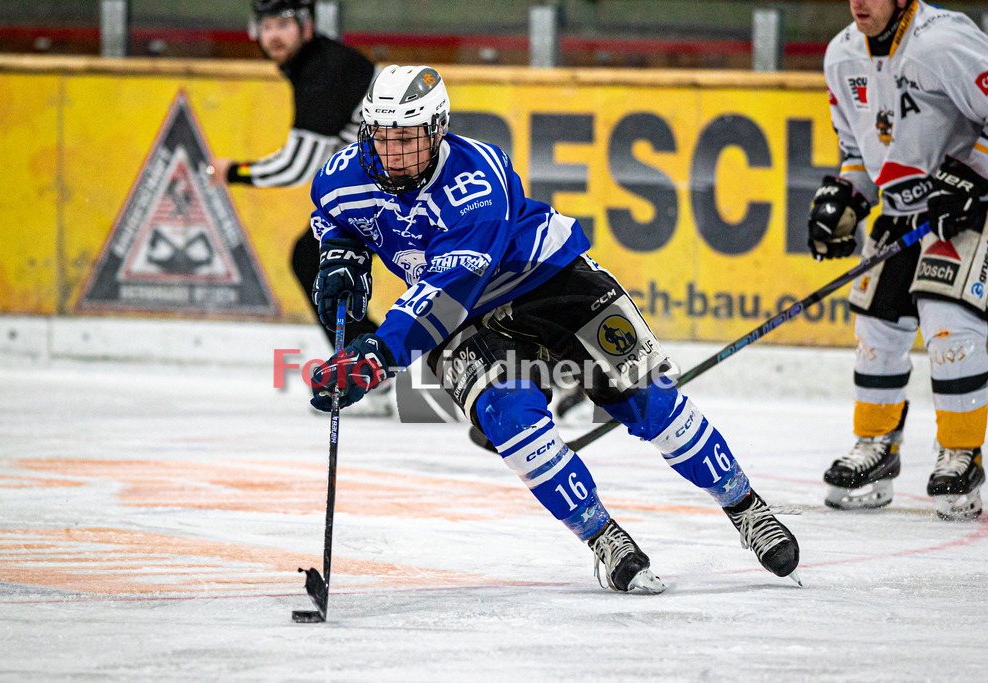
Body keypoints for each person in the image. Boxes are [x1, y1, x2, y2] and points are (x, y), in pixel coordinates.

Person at [306, 64, 801, 592]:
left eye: (407, 138)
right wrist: (340, 255)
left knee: (647, 398)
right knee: (510, 420)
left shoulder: (477, 180)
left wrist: (379, 354)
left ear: (438, 129)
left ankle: (746, 507)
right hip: (459, 319)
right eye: (382, 136)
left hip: (547, 279)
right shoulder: (340, 176)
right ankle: (604, 537)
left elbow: (449, 293)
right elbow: (335, 218)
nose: (393, 152)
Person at [809, 0, 988, 520]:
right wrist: (848, 197)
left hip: (965, 209)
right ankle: (877, 446)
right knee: (876, 327)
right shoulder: (841, 55)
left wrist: (973, 178)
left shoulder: (943, 41)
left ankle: (961, 452)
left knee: (948, 320)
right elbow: (858, 154)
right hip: (900, 210)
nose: (859, 2)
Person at [208, 0, 392, 414]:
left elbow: (298, 165)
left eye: (284, 24)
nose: (273, 35)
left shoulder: (323, 72)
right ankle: (375, 368)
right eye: (266, 25)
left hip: (399, 189)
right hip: (389, 186)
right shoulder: (321, 64)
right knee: (316, 257)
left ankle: (373, 371)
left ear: (307, 27)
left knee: (319, 260)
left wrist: (233, 171)